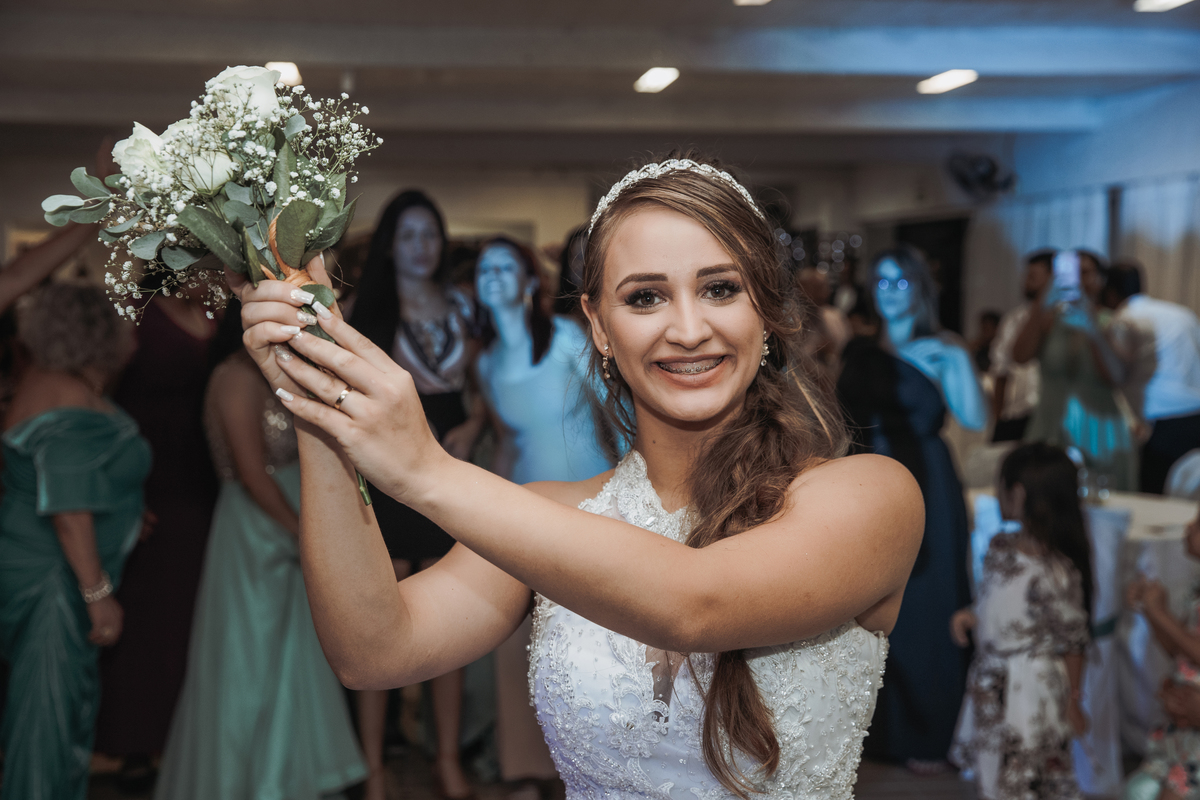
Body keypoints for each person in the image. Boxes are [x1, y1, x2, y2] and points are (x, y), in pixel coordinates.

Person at [231, 155, 924, 797]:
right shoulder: (550, 516)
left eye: (720, 289)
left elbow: (695, 603)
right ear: (598, 325)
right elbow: (373, 651)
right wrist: (314, 399)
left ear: (766, 310)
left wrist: (426, 470)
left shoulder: (870, 497)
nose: (688, 329)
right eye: (645, 298)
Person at [152, 300, 367, 799]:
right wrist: (301, 532)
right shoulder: (233, 377)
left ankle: (288, 779)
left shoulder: (285, 373)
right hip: (256, 529)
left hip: (291, 518)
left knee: (295, 660)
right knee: (250, 658)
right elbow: (251, 473)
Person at [348, 190, 487, 800]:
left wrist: (474, 424)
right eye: (407, 235)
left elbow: (483, 386)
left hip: (451, 460)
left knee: (449, 612)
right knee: (382, 615)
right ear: (389, 245)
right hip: (389, 467)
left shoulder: (465, 305)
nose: (421, 246)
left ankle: (447, 759)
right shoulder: (363, 309)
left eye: (429, 233)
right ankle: (374, 767)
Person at [836, 245, 985, 772]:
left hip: (927, 483)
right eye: (882, 282)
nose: (890, 292)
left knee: (926, 602)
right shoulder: (858, 349)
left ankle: (928, 732)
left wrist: (953, 362)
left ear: (920, 288)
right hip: (866, 479)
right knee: (868, 602)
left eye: (901, 282)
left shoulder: (942, 347)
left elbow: (975, 418)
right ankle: (875, 732)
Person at [0, 283, 150, 800]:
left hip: (46, 569)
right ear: (98, 333)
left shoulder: (55, 384)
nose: (133, 332)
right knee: (46, 721)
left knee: (51, 713)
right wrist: (97, 594)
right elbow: (66, 508)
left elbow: (65, 480)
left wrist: (126, 509)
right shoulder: (66, 395)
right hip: (54, 582)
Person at [473, 236, 612, 794]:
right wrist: (488, 513)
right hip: (527, 510)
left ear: (531, 281)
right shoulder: (485, 362)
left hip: (593, 506)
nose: (493, 275)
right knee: (524, 647)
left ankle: (589, 770)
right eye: (484, 268)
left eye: (506, 266)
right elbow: (509, 441)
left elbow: (617, 410)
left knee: (589, 643)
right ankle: (526, 769)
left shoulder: (565, 339)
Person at [95, 277, 221, 792]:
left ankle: (182, 741)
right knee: (148, 616)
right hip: (149, 485)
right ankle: (135, 743)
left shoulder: (220, 314)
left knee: (192, 614)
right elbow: (96, 397)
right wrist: (116, 490)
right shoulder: (136, 310)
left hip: (206, 481)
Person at [949, 442, 1092, 799]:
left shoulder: (1057, 571)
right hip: (991, 680)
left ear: (1018, 493)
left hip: (1032, 690)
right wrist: (972, 615)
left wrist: (1074, 699)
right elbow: (995, 600)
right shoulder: (1000, 546)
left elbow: (1073, 640)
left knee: (1027, 776)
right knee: (992, 771)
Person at [1013, 250, 1137, 491]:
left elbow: (1117, 377)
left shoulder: (1113, 321)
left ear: (1100, 280)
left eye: (1086, 273)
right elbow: (1019, 357)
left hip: (1098, 429)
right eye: (1072, 272)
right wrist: (1042, 301)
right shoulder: (1049, 318)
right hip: (1051, 423)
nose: (1078, 279)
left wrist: (1093, 330)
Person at [1107, 260, 1200, 495]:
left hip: (1160, 421)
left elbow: (1116, 373)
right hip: (1195, 414)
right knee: (1189, 494)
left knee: (1154, 498)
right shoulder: (1182, 313)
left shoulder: (1123, 319)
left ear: (1110, 293)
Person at [1124, 512, 1200, 800]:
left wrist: (1161, 615)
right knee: (1139, 789)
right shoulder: (1196, 587)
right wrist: (1151, 612)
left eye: (1199, 523)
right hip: (1184, 727)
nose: (1188, 526)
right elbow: (1181, 652)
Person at [989, 250, 1053, 443]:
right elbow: (1001, 372)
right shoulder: (1014, 319)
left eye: (1032, 277)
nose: (1025, 282)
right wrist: (998, 418)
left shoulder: (1069, 318)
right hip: (1017, 414)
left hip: (1054, 414)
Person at [795, 267, 852, 380]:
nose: (823, 293)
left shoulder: (835, 317)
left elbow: (847, 354)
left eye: (824, 287)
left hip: (834, 382)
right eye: (816, 288)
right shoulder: (789, 320)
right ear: (799, 289)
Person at [972, 310, 1000, 374]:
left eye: (987, 328)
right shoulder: (978, 346)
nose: (984, 332)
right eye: (982, 328)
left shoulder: (1001, 348)